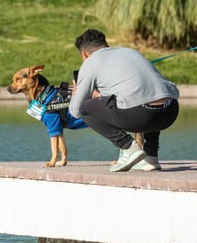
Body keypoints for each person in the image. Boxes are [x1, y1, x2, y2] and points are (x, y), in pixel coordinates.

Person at [67, 28, 180, 172]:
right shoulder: (130, 52)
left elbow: (76, 111)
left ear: (84, 54)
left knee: (85, 107)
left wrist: (76, 95)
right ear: (105, 44)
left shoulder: (90, 62)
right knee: (151, 95)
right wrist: (100, 96)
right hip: (170, 112)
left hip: (139, 116)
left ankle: (128, 147)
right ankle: (151, 157)